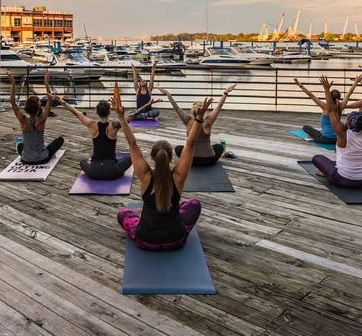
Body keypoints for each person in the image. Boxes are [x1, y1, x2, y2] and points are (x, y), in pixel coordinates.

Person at [116, 93, 211, 250]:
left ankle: (142, 216)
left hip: (145, 240)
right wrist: (199, 118)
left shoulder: (145, 176)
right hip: (176, 239)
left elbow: (132, 144)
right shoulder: (178, 176)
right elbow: (190, 144)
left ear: (152, 158)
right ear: (171, 157)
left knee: (123, 213)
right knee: (194, 204)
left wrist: (121, 117)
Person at [57, 94, 160, 180]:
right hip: (113, 171)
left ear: (97, 112)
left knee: (82, 161)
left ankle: (90, 162)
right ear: (109, 111)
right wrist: (148, 104)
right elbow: (134, 114)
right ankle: (113, 163)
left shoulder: (92, 125)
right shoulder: (114, 125)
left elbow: (75, 112)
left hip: (94, 171)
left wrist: (62, 101)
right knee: (130, 157)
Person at [311, 75, 362, 188]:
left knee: (317, 158)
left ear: (350, 124)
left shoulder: (343, 134)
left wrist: (326, 89)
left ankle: (327, 173)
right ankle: (332, 170)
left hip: (343, 178)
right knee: (335, 163)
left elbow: (330, 110)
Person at [160, 84, 236, 166]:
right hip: (209, 160)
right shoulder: (208, 120)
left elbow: (176, 107)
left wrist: (168, 94)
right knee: (219, 147)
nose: (199, 107)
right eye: (198, 105)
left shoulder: (187, 120)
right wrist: (225, 92)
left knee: (178, 148)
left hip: (191, 160)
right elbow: (218, 106)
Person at [8, 72, 64, 164]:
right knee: (60, 140)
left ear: (27, 109)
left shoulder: (23, 120)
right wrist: (46, 83)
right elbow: (49, 101)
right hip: (42, 158)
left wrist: (13, 83)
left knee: (20, 145)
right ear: (39, 109)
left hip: (25, 159)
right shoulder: (41, 120)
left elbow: (13, 102)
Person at [294, 75, 362, 145]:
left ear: (330, 97)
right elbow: (349, 93)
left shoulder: (325, 107)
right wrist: (356, 82)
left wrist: (300, 85)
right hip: (337, 138)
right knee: (318, 132)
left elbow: (311, 95)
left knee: (306, 128)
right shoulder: (341, 106)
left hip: (325, 139)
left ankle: (313, 137)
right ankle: (315, 136)